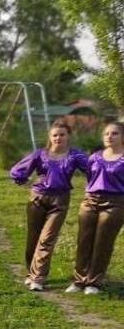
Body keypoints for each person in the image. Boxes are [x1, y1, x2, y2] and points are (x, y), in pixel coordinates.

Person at [9, 122, 89, 291]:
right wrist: (24, 180)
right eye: (55, 135)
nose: (58, 138)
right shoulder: (40, 154)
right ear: (50, 137)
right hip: (37, 198)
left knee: (47, 238)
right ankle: (30, 273)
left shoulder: (75, 156)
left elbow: (94, 169)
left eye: (62, 134)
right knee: (33, 238)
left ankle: (38, 278)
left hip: (60, 201)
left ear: (68, 136)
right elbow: (19, 170)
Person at [66, 120, 124, 295]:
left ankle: (94, 282)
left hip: (116, 202)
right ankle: (79, 280)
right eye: (106, 133)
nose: (109, 136)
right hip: (90, 201)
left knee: (103, 242)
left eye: (114, 133)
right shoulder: (95, 156)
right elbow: (90, 177)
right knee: (84, 241)